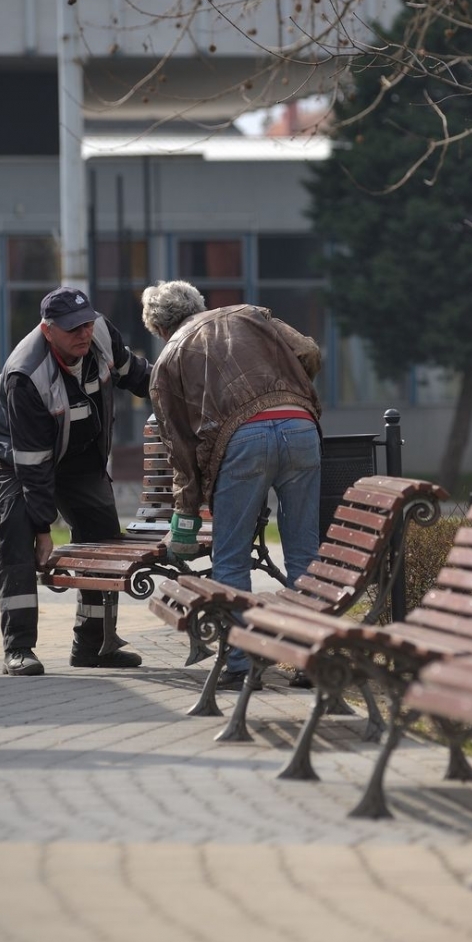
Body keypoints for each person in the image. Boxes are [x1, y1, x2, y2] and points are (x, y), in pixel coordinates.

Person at [141, 280, 323, 690]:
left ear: (158, 329)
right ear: (199, 304)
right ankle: (309, 659)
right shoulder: (250, 314)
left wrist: (185, 517)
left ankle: (241, 665)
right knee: (304, 552)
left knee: (231, 558)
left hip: (242, 442)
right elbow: (309, 351)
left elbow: (180, 451)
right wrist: (290, 388)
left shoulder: (168, 360)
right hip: (301, 428)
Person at [0, 287, 152, 675]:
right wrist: (43, 528)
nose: (83, 334)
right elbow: (33, 466)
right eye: (73, 328)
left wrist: (178, 389)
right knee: (18, 537)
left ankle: (93, 645)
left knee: (103, 537)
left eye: (86, 323)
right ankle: (18, 649)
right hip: (18, 456)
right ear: (48, 329)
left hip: (78, 454)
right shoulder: (26, 374)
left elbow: (136, 376)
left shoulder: (101, 334)